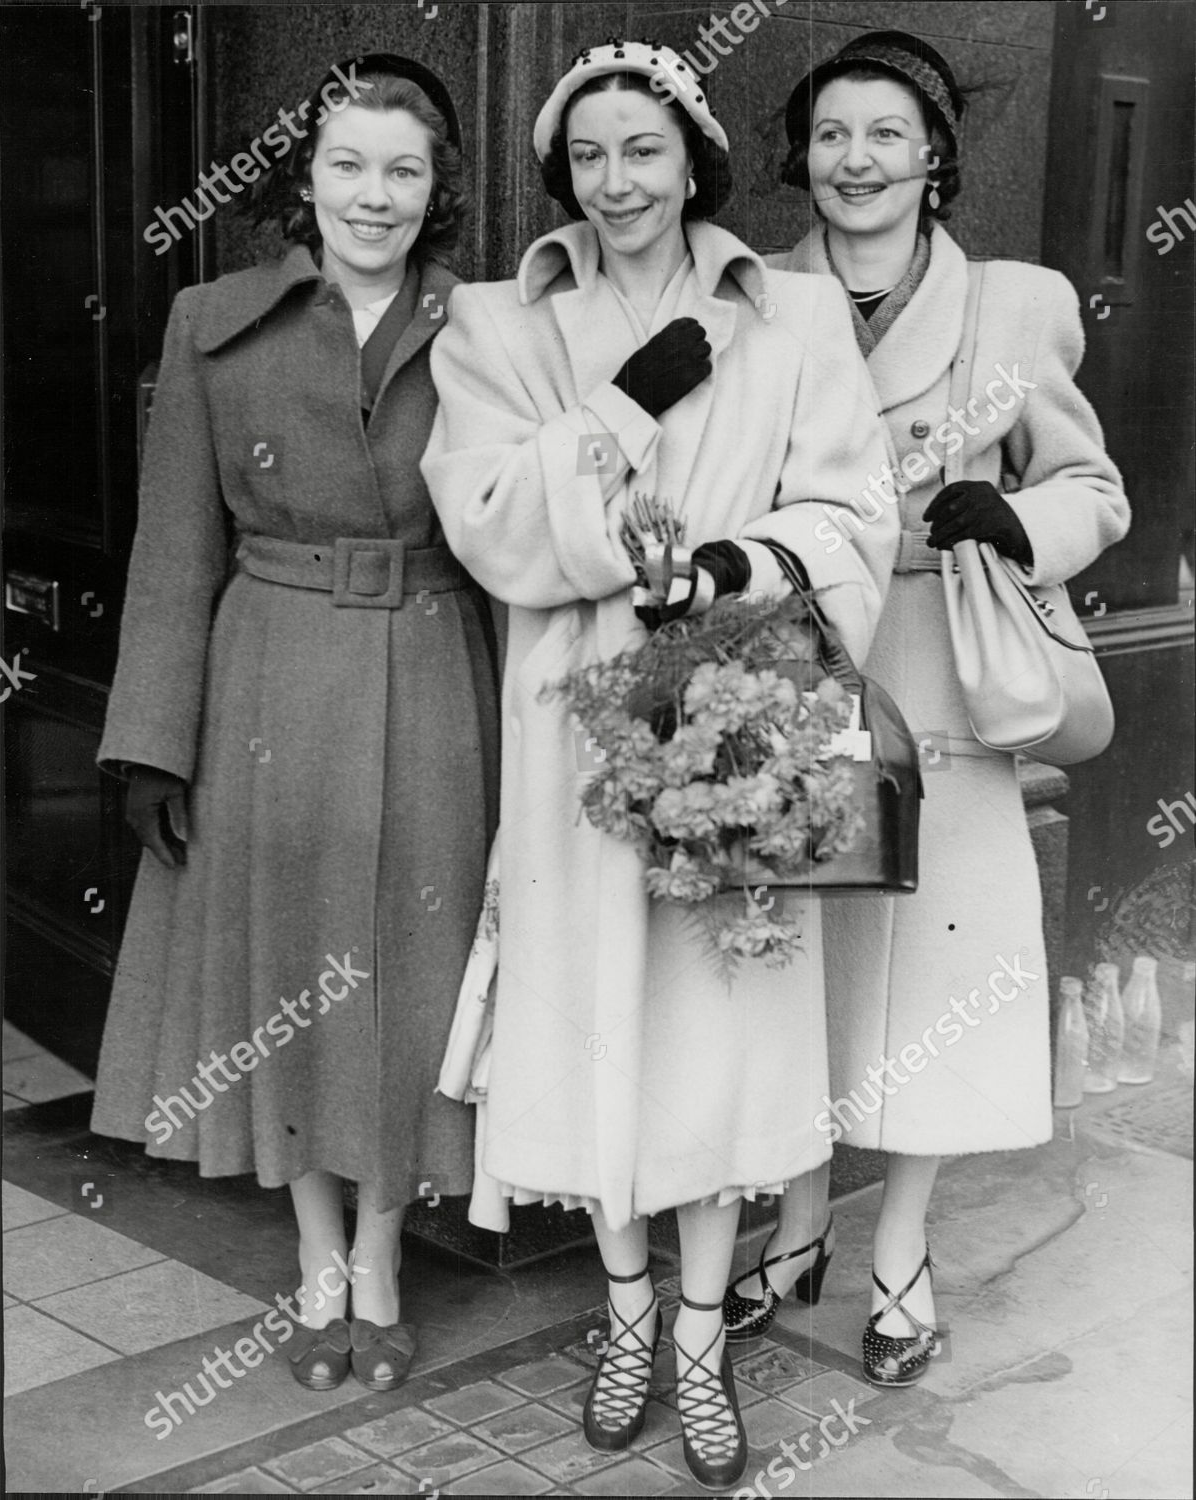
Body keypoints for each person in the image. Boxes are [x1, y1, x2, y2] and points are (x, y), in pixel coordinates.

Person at [422, 38, 896, 1490]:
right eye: (587, 155)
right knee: (592, 1028)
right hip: (571, 733)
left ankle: (700, 1335)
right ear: (558, 175)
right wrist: (627, 401)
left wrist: (728, 569)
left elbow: (853, 509)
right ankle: (622, 1317)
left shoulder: (795, 311)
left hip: (740, 721)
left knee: (719, 1033)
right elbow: (489, 520)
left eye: (644, 149)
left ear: (694, 157)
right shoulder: (497, 322)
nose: (616, 180)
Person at [723, 29, 1130, 1387]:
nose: (855, 161)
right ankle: (791, 1226)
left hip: (943, 663)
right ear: (799, 155)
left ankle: (896, 1245)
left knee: (937, 974)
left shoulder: (1012, 307)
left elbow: (1096, 492)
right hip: (788, 657)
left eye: (886, 135)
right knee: (785, 960)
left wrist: (1009, 516)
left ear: (934, 156)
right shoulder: (747, 293)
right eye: (831, 136)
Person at [90, 54, 498, 1396]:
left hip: (437, 672)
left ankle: (381, 1265)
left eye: (402, 170)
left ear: (436, 191)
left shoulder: (489, 330)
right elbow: (171, 550)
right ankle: (318, 1266)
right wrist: (155, 738)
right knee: (292, 981)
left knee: (408, 981)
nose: (372, 195)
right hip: (267, 679)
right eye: (347, 165)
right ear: (302, 181)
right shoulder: (211, 318)